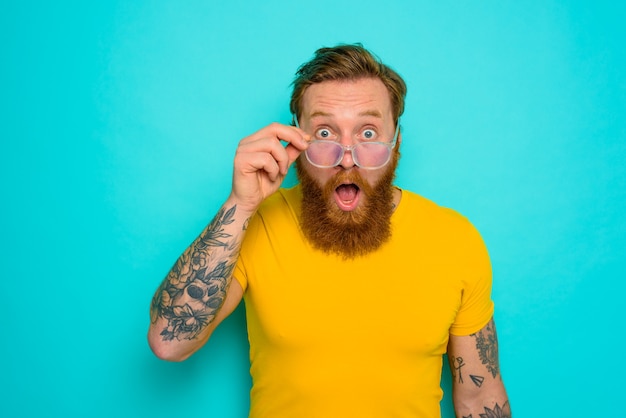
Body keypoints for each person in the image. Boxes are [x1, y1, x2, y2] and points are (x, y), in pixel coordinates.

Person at [148, 43, 511, 417]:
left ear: (397, 141)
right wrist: (240, 205)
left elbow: (480, 399)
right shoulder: (256, 223)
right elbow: (168, 341)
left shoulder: (454, 239)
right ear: (295, 140)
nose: (347, 157)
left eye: (368, 133)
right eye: (324, 133)